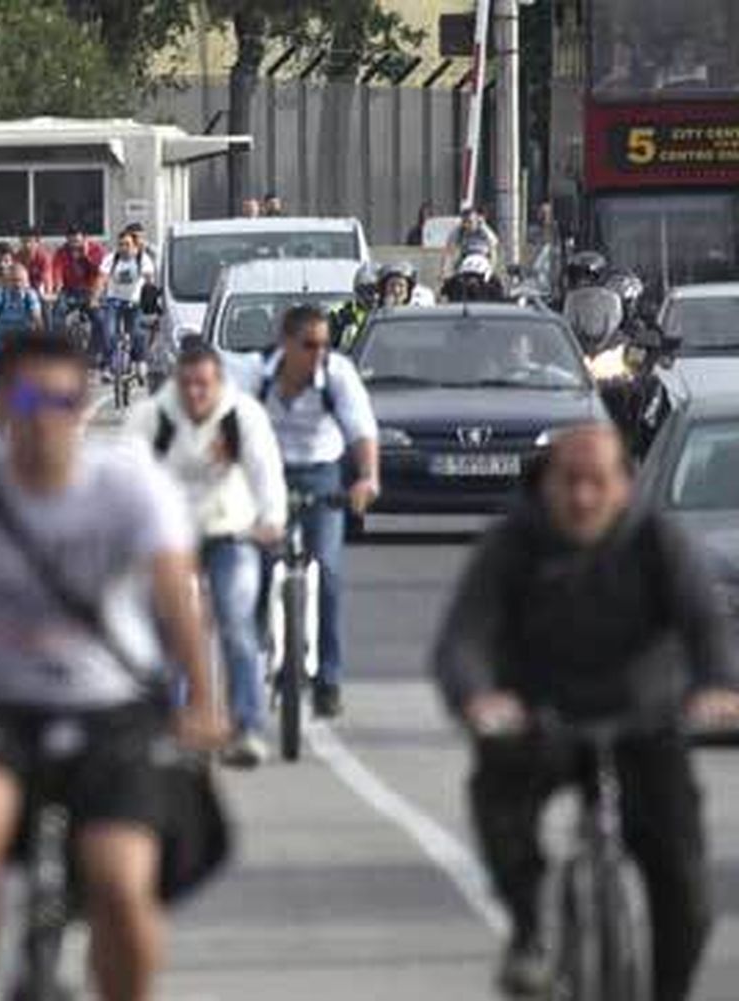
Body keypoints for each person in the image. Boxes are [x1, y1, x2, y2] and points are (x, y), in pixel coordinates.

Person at [0, 334, 226, 1001]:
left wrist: (202, 698)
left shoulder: (126, 482)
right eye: (30, 398)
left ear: (85, 404)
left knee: (122, 877)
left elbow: (177, 591)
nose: (46, 415)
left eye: (64, 398)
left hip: (110, 703)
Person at [432, 423, 739, 1001]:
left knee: (686, 889)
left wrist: (718, 686)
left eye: (597, 483)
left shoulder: (658, 542)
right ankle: (529, 931)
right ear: (546, 485)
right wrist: (477, 697)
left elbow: (705, 625)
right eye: (569, 482)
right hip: (542, 719)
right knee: (498, 800)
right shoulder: (512, 545)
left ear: (625, 484)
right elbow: (463, 640)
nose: (583, 498)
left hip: (643, 722)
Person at [125, 336, 286, 766]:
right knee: (173, 628)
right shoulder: (152, 417)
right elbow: (129, 476)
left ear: (219, 382)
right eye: (188, 385)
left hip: (229, 531)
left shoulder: (242, 415)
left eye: (204, 385)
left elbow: (265, 469)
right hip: (171, 538)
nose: (196, 394)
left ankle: (247, 726)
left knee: (235, 624)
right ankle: (176, 725)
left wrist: (272, 518)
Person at [239, 305, 380, 718]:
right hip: (269, 474)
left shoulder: (337, 375)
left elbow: (361, 430)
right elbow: (231, 429)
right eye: (309, 344)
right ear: (285, 344)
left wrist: (367, 479)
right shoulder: (255, 374)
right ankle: (251, 668)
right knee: (259, 571)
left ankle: (329, 680)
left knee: (329, 571)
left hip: (322, 472)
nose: (319, 352)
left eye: (324, 343)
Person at [100, 226, 158, 373]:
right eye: (121, 244)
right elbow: (102, 279)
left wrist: (150, 301)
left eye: (127, 244)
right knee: (109, 332)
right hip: (114, 301)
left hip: (135, 302)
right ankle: (108, 364)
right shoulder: (111, 258)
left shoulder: (143, 259)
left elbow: (149, 281)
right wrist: (95, 298)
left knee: (138, 332)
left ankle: (140, 361)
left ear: (134, 245)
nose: (124, 248)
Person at [0, 263, 46, 352]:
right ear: (6, 282)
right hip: (2, 337)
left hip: (23, 335)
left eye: (21, 281)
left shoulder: (30, 295)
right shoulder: (0, 294)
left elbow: (37, 317)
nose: (17, 284)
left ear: (27, 282)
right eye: (13, 280)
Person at [331, 262, 379, 353]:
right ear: (358, 290)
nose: (374, 296)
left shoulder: (389, 314)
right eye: (369, 291)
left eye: (378, 290)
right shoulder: (340, 315)